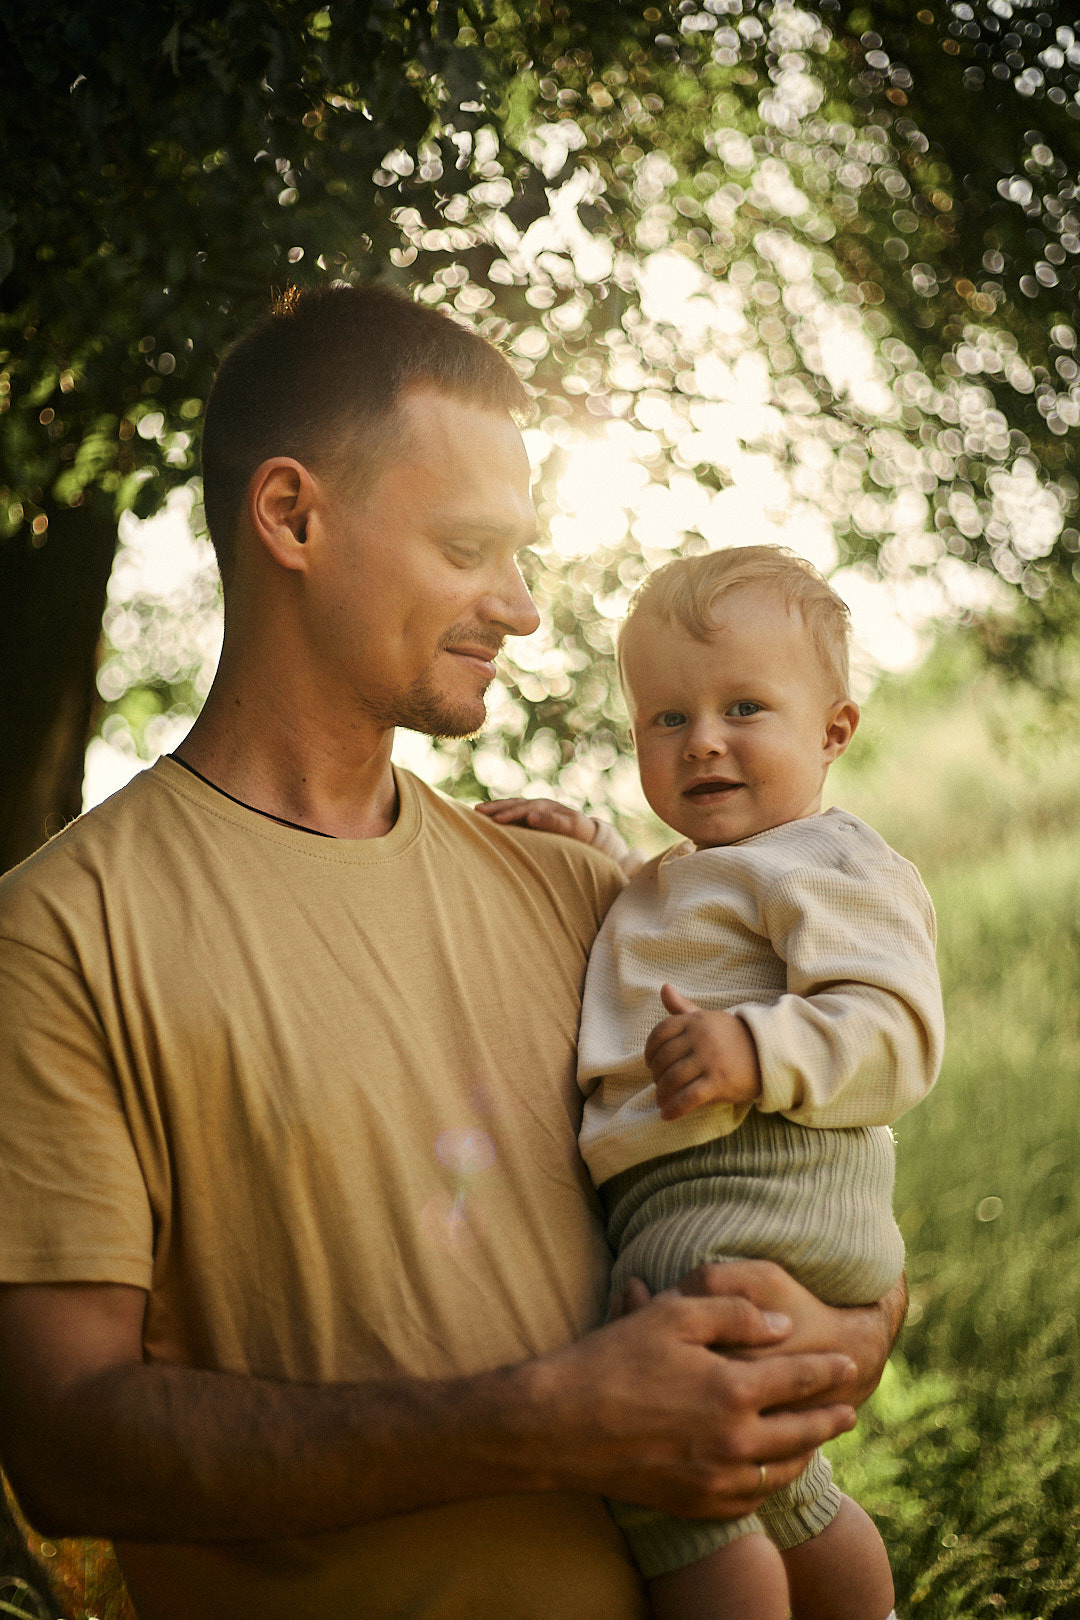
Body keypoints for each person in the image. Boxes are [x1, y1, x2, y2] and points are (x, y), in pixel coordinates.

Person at [0, 286, 903, 1620]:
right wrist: (544, 1423)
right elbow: (67, 1445)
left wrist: (832, 1344)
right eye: (471, 548)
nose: (524, 609)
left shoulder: (584, 888)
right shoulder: (60, 933)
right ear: (293, 517)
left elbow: (817, 1204)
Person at [479, 546, 944, 1620]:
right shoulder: (700, 871)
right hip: (712, 1204)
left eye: (745, 706)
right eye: (668, 720)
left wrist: (756, 1050)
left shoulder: (832, 860)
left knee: (667, 1480)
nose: (706, 742)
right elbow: (664, 921)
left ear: (834, 730)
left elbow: (896, 1031)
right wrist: (589, 844)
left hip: (743, 1200)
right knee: (776, 1486)